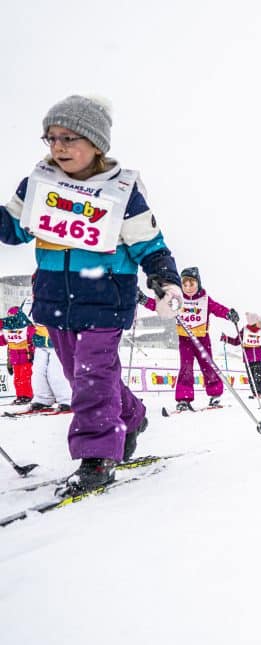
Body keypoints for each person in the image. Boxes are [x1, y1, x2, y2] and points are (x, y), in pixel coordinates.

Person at [0, 95, 182, 494]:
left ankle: (97, 457)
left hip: (104, 299)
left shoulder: (122, 191)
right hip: (53, 299)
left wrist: (165, 281)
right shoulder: (38, 184)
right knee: (79, 374)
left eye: (69, 138)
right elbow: (13, 229)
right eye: (51, 138)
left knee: (91, 374)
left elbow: (150, 245)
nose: (59, 147)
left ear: (97, 143)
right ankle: (130, 417)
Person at [142, 266, 238, 411]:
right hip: (185, 339)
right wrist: (143, 300)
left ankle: (215, 395)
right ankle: (184, 399)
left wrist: (229, 314)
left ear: (198, 283)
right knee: (186, 368)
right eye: (184, 284)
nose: (188, 287)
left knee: (208, 366)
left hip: (202, 338)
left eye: (191, 284)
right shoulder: (177, 299)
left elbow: (218, 309)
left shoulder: (205, 299)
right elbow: (160, 306)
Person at [221, 313, 261, 399]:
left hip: (258, 357)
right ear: (254, 322)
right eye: (259, 321)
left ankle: (260, 392)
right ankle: (255, 393)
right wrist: (226, 338)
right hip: (248, 358)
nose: (260, 323)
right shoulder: (244, 330)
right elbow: (236, 341)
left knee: (258, 374)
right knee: (251, 376)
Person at [28, 320, 71, 413]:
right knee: (38, 373)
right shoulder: (33, 305)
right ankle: (42, 399)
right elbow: (25, 313)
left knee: (56, 373)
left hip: (58, 343)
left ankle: (67, 400)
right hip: (40, 342)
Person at [1, 306, 35, 405]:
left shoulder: (27, 328)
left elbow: (33, 335)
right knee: (17, 379)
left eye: (12, 316)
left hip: (26, 357)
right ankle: (20, 396)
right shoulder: (8, 330)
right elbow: (3, 341)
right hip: (15, 359)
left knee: (25, 378)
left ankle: (27, 396)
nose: (10, 319)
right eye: (9, 316)